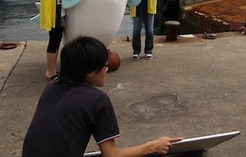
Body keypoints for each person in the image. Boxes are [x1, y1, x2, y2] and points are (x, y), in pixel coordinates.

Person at [22, 36, 181, 157]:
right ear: (90, 72)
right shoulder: (97, 100)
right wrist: (152, 146)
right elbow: (111, 155)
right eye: (105, 65)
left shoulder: (51, 89)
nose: (107, 70)